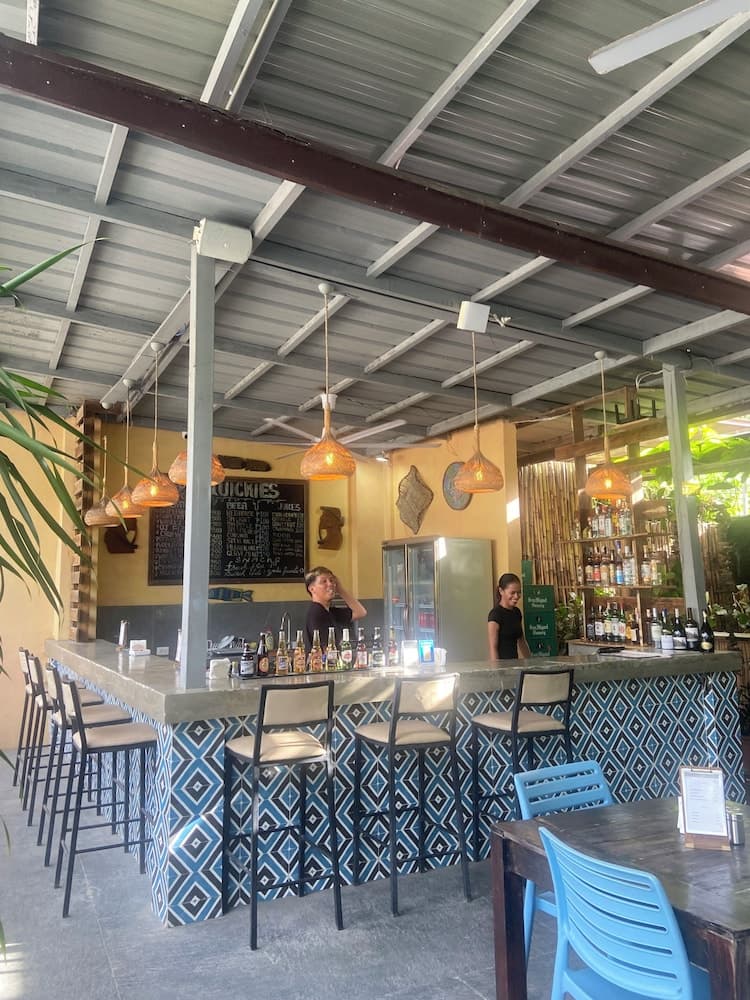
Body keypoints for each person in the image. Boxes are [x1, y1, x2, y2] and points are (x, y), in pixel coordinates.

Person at [304, 565, 367, 649]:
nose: (330, 584)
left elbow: (361, 612)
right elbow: (326, 649)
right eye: (324, 581)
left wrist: (340, 589)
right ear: (312, 589)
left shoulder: (331, 612)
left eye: (332, 580)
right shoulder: (316, 613)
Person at [487, 572, 531, 661]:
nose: (516, 596)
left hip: (514, 664)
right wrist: (497, 668)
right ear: (501, 591)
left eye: (519, 592)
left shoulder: (517, 612)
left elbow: (522, 641)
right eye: (512, 593)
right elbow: (493, 648)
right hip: (502, 666)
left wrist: (531, 662)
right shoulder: (495, 614)